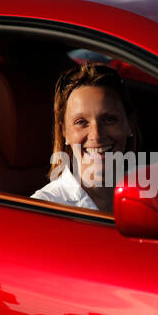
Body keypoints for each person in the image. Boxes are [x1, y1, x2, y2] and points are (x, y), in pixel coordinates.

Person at [31, 62, 140, 212]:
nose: (96, 135)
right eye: (81, 122)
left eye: (109, 119)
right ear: (64, 132)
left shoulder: (150, 195)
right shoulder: (44, 209)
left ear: (129, 125)